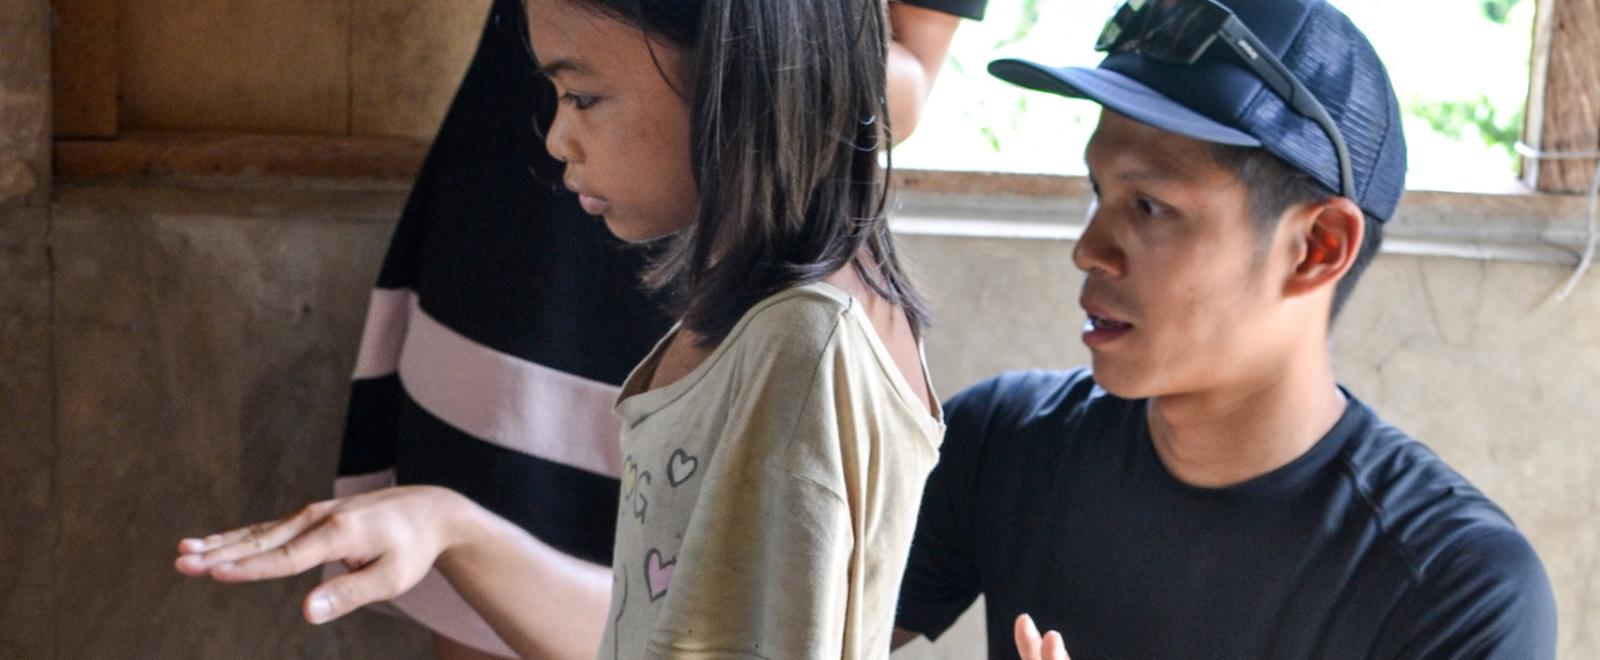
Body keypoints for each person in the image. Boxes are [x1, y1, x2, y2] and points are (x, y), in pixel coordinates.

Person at [179, 0, 945, 658]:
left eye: (581, 97)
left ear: (731, 71)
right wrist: (450, 528)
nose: (555, 139)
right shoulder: (757, 321)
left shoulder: (805, 351)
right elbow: (660, 633)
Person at [892, 0, 1559, 658]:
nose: (1090, 249)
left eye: (1149, 206)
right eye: (1100, 193)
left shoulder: (1456, 588)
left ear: (1317, 248)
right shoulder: (1002, 448)